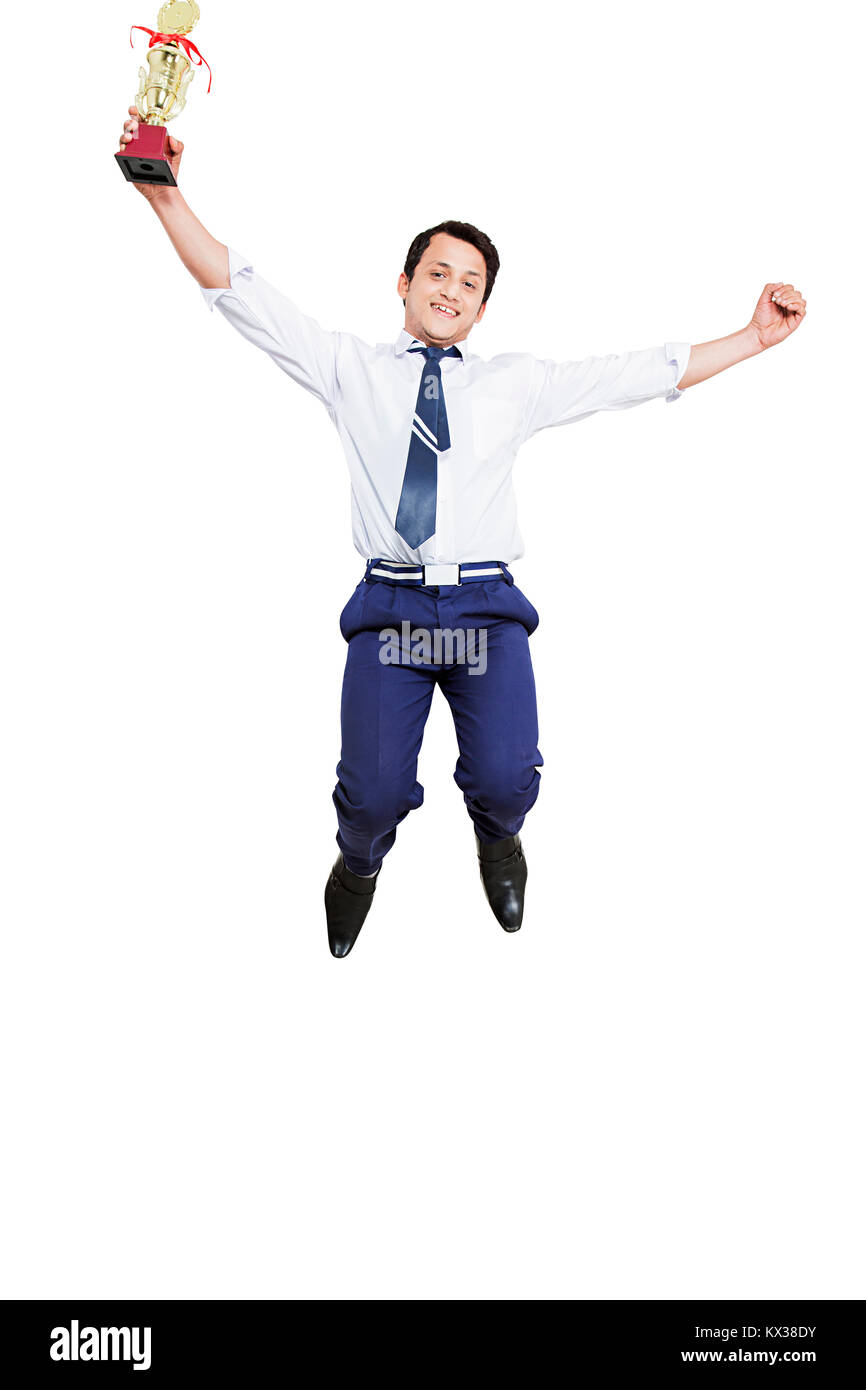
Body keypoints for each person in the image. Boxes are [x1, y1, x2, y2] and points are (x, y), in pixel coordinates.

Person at [118, 110, 807, 959]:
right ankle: (358, 864)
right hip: (394, 613)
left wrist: (753, 339)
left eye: (469, 282)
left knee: (504, 776)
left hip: (483, 608)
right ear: (403, 283)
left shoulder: (515, 385)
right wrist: (164, 195)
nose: (450, 289)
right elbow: (241, 291)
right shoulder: (349, 369)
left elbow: (635, 374)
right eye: (436, 273)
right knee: (369, 792)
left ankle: (499, 837)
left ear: (482, 310)